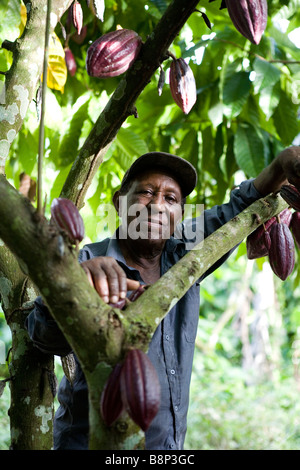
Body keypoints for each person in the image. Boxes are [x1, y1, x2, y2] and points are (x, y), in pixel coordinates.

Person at [26, 146, 300, 450]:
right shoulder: (90, 262)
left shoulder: (185, 253)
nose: (157, 205)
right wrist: (73, 288)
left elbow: (239, 207)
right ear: (120, 203)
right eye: (145, 193)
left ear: (180, 214)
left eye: (171, 199)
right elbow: (42, 335)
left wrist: (282, 162)